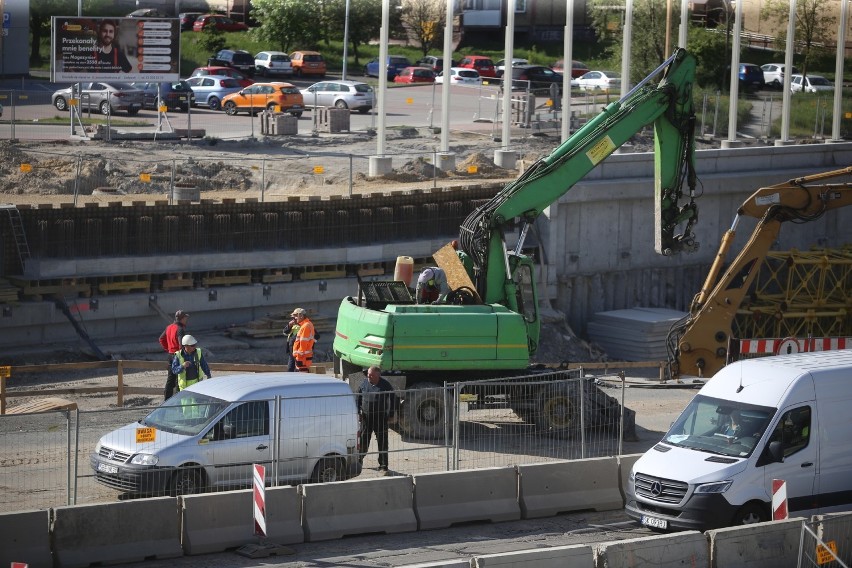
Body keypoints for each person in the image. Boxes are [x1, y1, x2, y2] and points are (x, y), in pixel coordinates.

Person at [356, 366, 396, 475]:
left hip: (380, 418)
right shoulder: (364, 384)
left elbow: (393, 398)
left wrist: (391, 414)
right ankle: (359, 461)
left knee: (382, 442)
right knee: (363, 440)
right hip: (366, 418)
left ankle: (383, 466)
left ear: (378, 375)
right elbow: (358, 398)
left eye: (371, 375)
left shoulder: (385, 385)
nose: (369, 376)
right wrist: (358, 412)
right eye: (368, 374)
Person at [158, 309, 188, 400]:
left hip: (170, 355)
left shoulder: (169, 327)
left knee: (170, 380)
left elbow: (161, 339)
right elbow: (181, 344)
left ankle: (166, 401)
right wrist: (183, 355)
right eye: (185, 318)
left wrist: (168, 348)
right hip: (177, 355)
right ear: (182, 319)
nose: (186, 320)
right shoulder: (180, 329)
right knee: (179, 379)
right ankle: (178, 401)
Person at [290, 308, 316, 372]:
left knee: (303, 378)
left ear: (301, 316)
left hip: (303, 358)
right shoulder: (306, 325)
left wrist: (299, 356)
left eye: (296, 316)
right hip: (304, 357)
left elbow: (303, 343)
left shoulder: (306, 326)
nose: (295, 318)